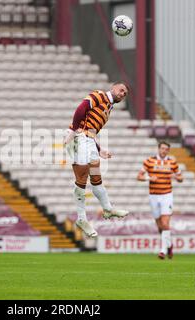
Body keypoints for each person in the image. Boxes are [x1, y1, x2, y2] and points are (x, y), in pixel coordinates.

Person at [64, 82, 131, 238]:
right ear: (113, 88)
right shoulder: (100, 95)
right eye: (121, 90)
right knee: (82, 178)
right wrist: (73, 131)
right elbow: (81, 109)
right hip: (79, 138)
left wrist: (100, 150)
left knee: (96, 176)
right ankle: (82, 219)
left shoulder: (108, 108)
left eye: (125, 94)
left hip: (88, 140)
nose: (122, 94)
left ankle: (107, 209)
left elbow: (91, 129)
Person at [137, 141, 183, 259]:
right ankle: (169, 245)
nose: (164, 151)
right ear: (158, 149)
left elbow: (181, 177)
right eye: (162, 148)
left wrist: (176, 177)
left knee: (165, 223)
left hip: (167, 195)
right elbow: (139, 176)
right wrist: (149, 177)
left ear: (168, 150)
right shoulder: (149, 161)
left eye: (166, 149)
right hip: (153, 196)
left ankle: (162, 250)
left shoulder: (172, 162)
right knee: (159, 226)